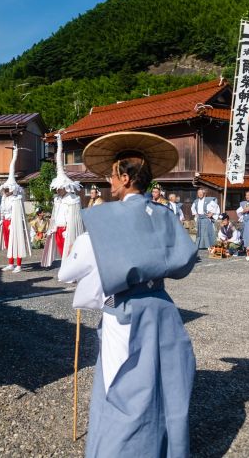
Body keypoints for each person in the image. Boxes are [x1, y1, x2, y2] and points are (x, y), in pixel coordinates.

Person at [58, 131, 197, 458]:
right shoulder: (165, 214)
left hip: (126, 312)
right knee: (166, 384)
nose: (108, 181)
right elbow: (184, 261)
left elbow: (68, 272)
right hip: (162, 307)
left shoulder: (108, 217)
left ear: (125, 176)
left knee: (125, 390)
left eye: (112, 174)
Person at [43, 133, 84, 267]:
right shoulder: (58, 199)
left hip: (67, 228)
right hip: (59, 228)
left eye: (60, 188)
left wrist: (69, 229)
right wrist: (53, 226)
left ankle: (71, 271)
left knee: (69, 251)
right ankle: (65, 269)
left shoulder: (72, 198)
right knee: (61, 251)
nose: (58, 190)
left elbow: (74, 217)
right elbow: (55, 213)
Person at [0, 146, 31, 273]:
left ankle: (19, 264)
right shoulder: (4, 198)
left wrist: (14, 222)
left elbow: (19, 213)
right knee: (8, 242)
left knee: (17, 242)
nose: (5, 191)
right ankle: (10, 263)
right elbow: (2, 211)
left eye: (7, 189)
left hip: (14, 223)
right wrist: (1, 220)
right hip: (6, 222)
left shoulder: (17, 198)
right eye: (5, 189)